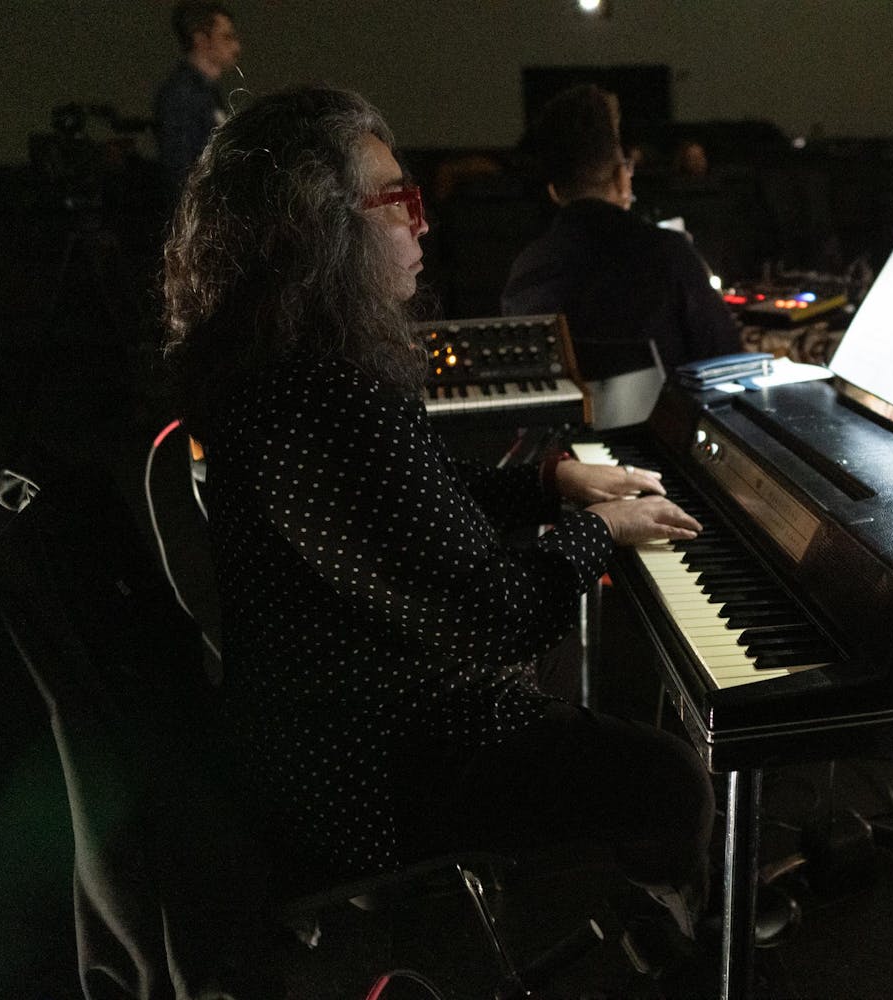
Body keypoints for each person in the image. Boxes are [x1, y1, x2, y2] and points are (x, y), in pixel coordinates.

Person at [160, 87, 714, 933]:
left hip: (325, 729)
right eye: (399, 201)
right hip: (372, 770)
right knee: (669, 779)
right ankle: (682, 937)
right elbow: (491, 623)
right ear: (321, 229)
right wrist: (598, 532)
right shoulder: (322, 396)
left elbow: (411, 506)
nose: (424, 222)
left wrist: (550, 484)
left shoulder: (283, 362)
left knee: (588, 718)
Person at [502, 84, 742, 379]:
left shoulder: (525, 269)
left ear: (554, 191)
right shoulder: (670, 253)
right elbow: (728, 361)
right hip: (664, 410)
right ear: (621, 178)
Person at [153, 1, 241, 197]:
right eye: (226, 38)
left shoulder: (205, 92)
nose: (236, 47)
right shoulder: (182, 95)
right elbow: (181, 169)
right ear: (201, 41)